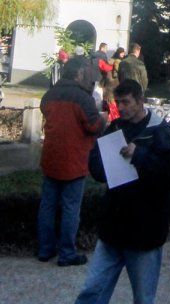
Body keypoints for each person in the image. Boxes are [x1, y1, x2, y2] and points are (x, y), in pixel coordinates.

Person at [73, 80, 170, 304]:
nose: (121, 108)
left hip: (144, 230)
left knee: (143, 298)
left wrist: (141, 156)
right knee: (92, 291)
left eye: (126, 102)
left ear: (140, 101)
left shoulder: (159, 130)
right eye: (118, 102)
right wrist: (100, 163)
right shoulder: (116, 127)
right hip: (113, 228)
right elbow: (97, 164)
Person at [38, 58, 106, 266]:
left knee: (47, 206)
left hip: (50, 157)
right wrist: (103, 120)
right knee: (70, 208)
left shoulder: (49, 95)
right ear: (79, 74)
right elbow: (94, 126)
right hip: (74, 160)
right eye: (86, 74)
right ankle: (67, 253)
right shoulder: (83, 98)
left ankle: (45, 249)